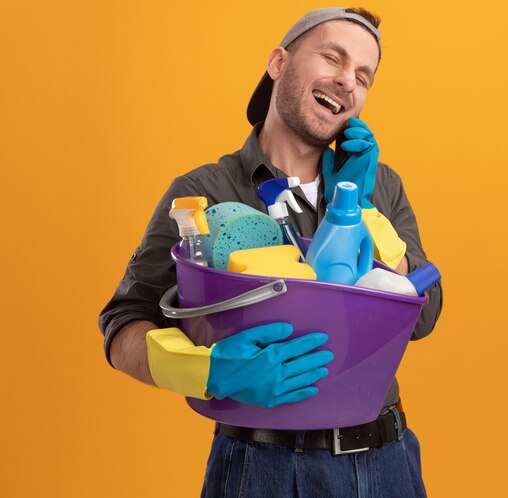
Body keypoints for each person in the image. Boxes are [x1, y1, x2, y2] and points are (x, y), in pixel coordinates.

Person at [99, 7, 442, 497]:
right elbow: (122, 325)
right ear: (279, 62)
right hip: (263, 468)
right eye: (332, 57)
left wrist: (361, 209)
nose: (347, 81)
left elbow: (424, 317)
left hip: (387, 462)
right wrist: (207, 371)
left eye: (363, 76)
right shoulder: (205, 192)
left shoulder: (380, 184)